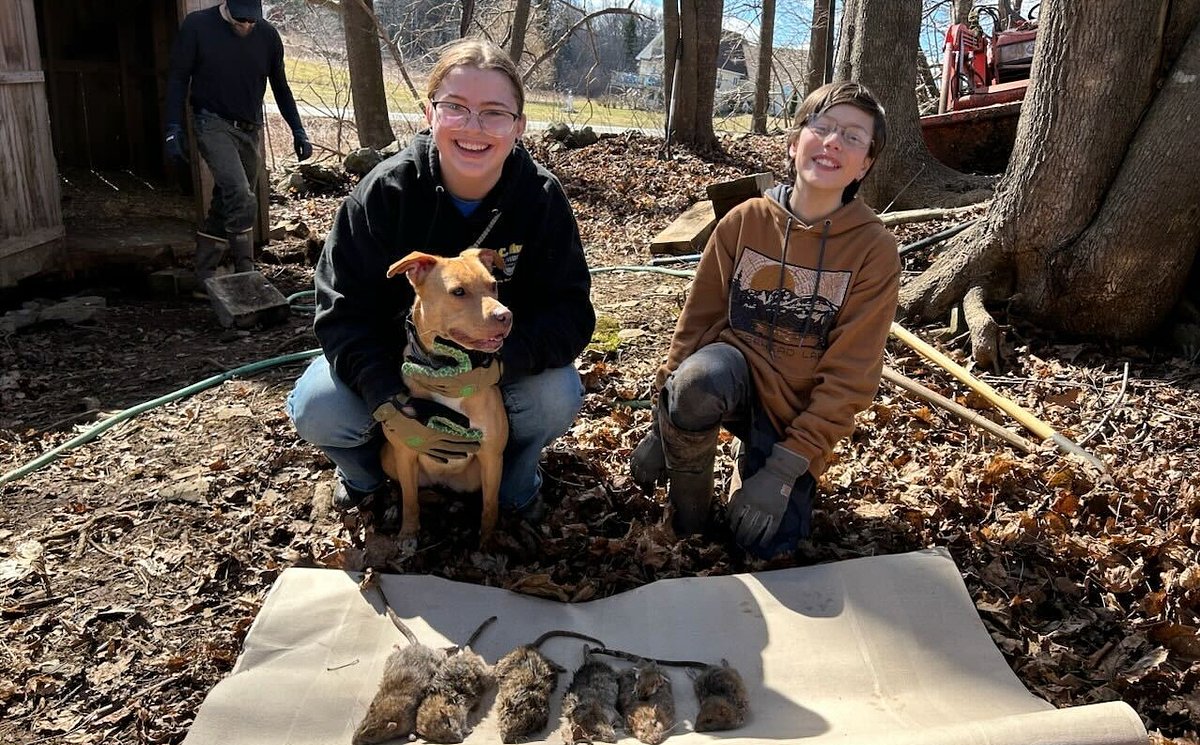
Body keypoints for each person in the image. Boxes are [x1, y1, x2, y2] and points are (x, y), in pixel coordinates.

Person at [287, 39, 594, 524]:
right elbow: (341, 315)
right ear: (430, 113)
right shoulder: (383, 195)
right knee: (317, 405)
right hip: (400, 368)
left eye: (495, 113)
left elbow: (572, 313)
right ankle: (369, 479)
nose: (474, 128)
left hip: (497, 373)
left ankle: (512, 479)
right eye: (456, 107)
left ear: (519, 126)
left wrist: (501, 364)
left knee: (557, 395)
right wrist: (388, 399)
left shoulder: (539, 200)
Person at [630, 81, 900, 559]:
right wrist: (661, 420)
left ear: (866, 163)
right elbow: (696, 323)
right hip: (730, 378)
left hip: (794, 412)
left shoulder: (873, 250)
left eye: (854, 137)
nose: (834, 142)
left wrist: (782, 470)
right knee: (695, 384)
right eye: (823, 127)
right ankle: (690, 516)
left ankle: (753, 465)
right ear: (795, 142)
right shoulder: (744, 221)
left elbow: (851, 379)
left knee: (765, 546)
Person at [164, 0, 312, 285]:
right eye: (240, 20)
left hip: (250, 128)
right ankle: (246, 271)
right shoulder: (198, 27)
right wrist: (173, 127)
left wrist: (298, 130)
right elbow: (178, 78)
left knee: (226, 199)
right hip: (211, 121)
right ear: (227, 8)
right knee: (241, 195)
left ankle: (204, 276)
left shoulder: (268, 36)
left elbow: (280, 86)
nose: (246, 26)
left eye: (251, 21)